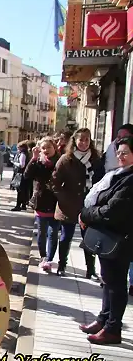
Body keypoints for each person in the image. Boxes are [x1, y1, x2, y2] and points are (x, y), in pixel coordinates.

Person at [78, 136, 133, 345]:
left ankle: (113, 328)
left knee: (116, 284)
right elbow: (103, 200)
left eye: (125, 152)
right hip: (109, 236)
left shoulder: (130, 179)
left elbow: (112, 210)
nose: (120, 156)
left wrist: (86, 213)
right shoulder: (119, 175)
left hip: (121, 238)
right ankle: (103, 319)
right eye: (118, 152)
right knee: (107, 280)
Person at [51, 128, 103, 277]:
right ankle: (62, 266)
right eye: (81, 139)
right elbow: (54, 182)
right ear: (75, 141)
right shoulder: (66, 159)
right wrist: (63, 197)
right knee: (66, 237)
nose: (84, 143)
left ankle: (91, 270)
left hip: (88, 205)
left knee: (89, 238)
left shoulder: (95, 159)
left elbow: (100, 181)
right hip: (68, 205)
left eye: (87, 140)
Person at [24, 137, 60, 273]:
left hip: (56, 201)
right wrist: (33, 158)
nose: (46, 150)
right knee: (42, 232)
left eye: (48, 147)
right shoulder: (38, 162)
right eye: (43, 148)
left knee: (53, 232)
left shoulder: (60, 161)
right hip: (41, 200)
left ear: (54, 148)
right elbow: (27, 175)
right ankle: (43, 257)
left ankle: (50, 259)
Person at [10, 141, 29, 211]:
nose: (18, 149)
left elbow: (22, 165)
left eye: (18, 148)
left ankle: (18, 206)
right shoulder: (26, 154)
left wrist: (14, 163)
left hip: (20, 174)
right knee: (24, 190)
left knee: (20, 190)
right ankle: (23, 205)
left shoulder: (22, 154)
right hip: (24, 174)